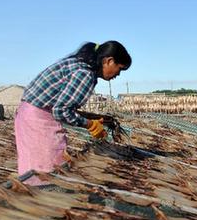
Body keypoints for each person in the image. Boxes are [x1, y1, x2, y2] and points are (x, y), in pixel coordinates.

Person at [15, 41, 132, 185]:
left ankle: (33, 197)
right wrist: (90, 124)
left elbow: (62, 106)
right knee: (47, 171)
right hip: (38, 120)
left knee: (34, 169)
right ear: (109, 61)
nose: (118, 75)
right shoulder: (85, 74)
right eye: (119, 69)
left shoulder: (77, 64)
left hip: (29, 115)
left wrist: (92, 118)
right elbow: (61, 111)